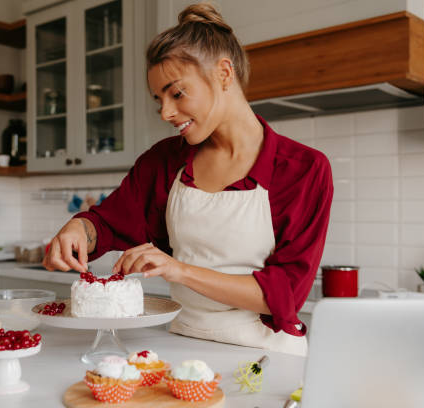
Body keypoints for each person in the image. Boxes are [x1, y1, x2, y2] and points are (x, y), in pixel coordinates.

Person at [43, 2, 333, 356]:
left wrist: (179, 270)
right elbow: (105, 224)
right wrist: (78, 230)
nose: (166, 112)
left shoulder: (303, 169)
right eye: (159, 100)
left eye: (177, 93)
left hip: (266, 354)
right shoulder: (164, 161)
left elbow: (284, 295)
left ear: (224, 73)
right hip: (180, 344)